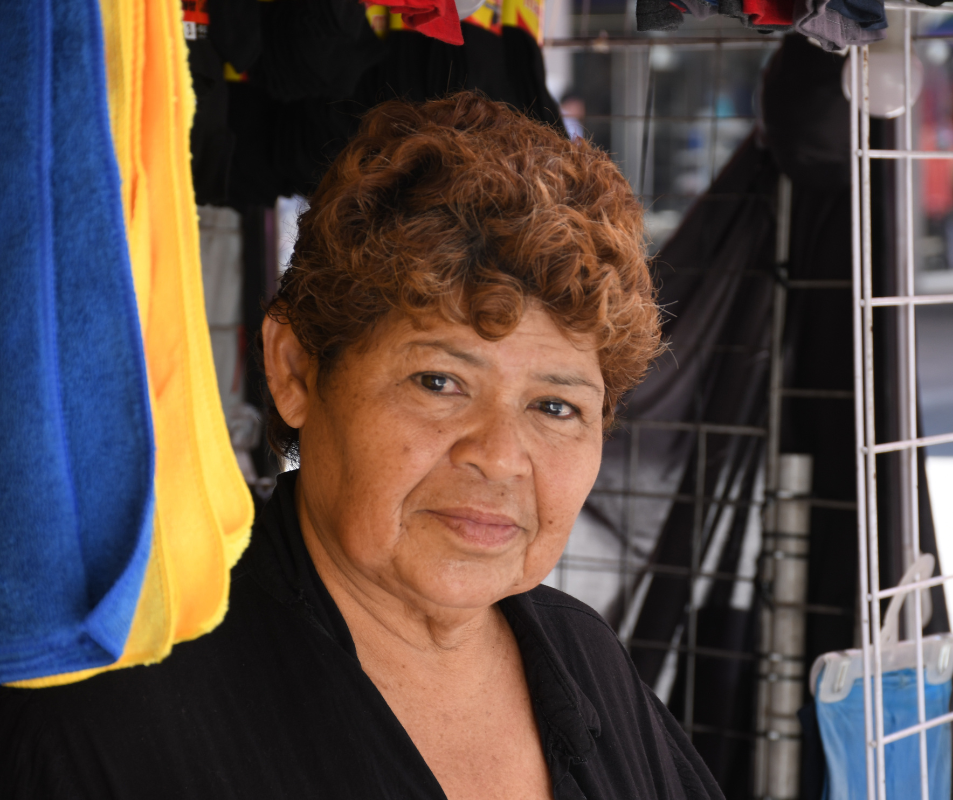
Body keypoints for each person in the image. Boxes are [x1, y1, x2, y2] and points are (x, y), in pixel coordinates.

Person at [0, 93, 723, 800]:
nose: (500, 456)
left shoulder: (583, 659)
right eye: (438, 382)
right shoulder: (114, 719)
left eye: (557, 406)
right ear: (293, 371)